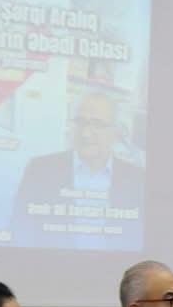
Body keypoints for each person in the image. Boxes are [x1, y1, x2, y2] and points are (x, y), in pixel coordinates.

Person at [9, 92, 145, 247]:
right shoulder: (40, 170)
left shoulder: (137, 178)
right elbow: (19, 230)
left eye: (97, 124)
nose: (85, 133)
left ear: (116, 132)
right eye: (80, 122)